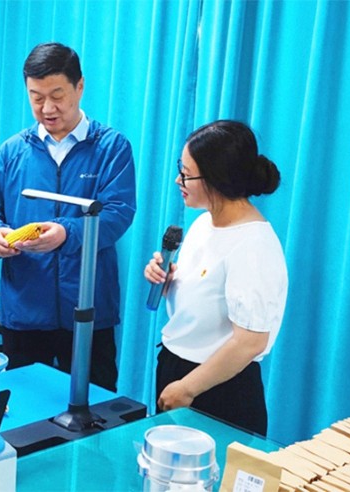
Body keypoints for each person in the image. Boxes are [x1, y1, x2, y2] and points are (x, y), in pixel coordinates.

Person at [0, 42, 136, 392]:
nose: (47, 108)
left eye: (57, 96)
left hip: (88, 308)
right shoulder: (12, 151)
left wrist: (66, 233)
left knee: (95, 406)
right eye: (36, 98)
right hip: (25, 309)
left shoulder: (111, 147)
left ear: (80, 86)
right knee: (25, 407)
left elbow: (118, 214)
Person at [143, 120, 288, 436]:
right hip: (177, 368)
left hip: (217, 388)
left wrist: (187, 388)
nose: (178, 180)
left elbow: (250, 342)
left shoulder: (253, 245)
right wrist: (167, 281)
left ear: (216, 177)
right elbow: (203, 300)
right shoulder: (202, 224)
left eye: (186, 174)